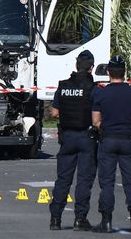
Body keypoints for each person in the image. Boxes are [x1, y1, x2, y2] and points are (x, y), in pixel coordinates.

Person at [92, 55, 131, 234]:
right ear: (124, 71)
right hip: (127, 139)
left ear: (108, 72)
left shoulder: (101, 93)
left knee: (107, 182)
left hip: (108, 139)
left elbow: (96, 121)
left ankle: (106, 220)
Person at [49, 50, 97, 231]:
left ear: (76, 65)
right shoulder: (93, 88)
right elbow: (97, 113)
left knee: (63, 179)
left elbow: (54, 112)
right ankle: (80, 218)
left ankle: (55, 218)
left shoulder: (63, 85)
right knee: (84, 179)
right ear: (91, 67)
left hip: (67, 137)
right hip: (86, 136)